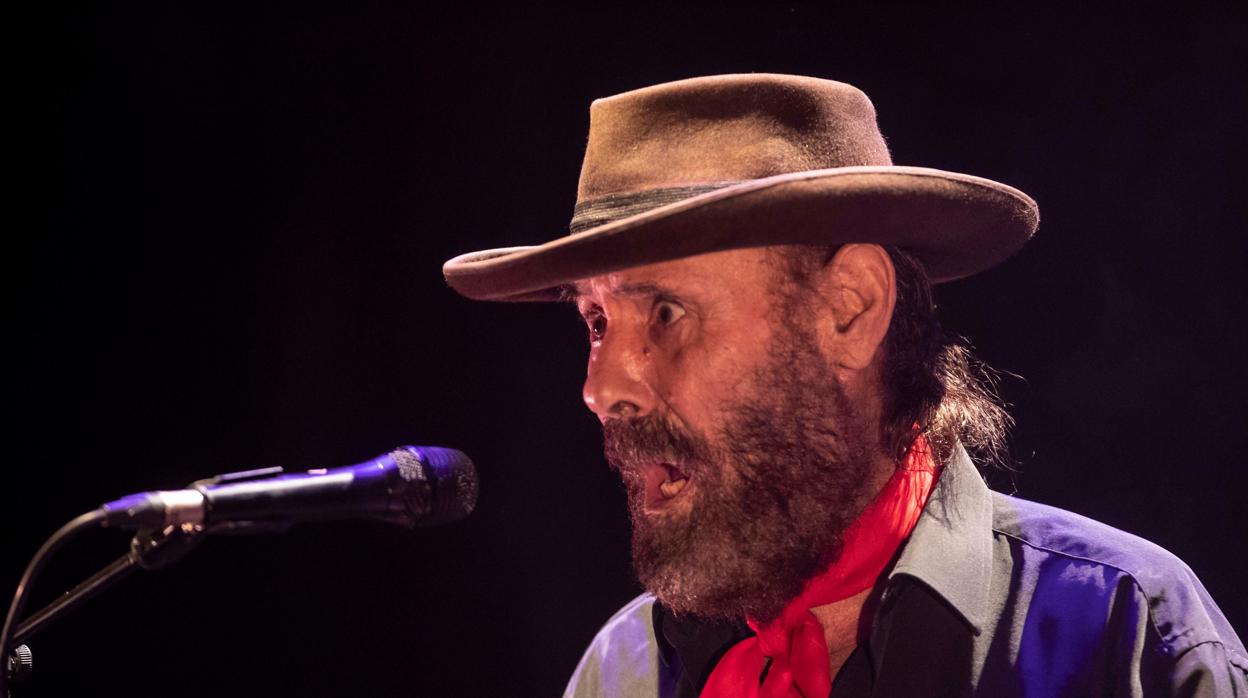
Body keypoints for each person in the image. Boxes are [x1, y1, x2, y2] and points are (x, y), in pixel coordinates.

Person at [442, 74, 1246, 697]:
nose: (603, 386)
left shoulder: (1123, 634)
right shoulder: (625, 671)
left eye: (665, 311)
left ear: (849, 310)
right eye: (595, 321)